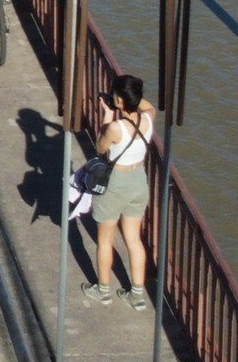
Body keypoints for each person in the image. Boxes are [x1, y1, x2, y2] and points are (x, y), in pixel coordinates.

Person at [81, 74, 156, 311]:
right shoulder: (149, 118)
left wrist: (106, 112)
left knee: (105, 239)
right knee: (134, 239)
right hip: (138, 181)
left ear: (120, 101)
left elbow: (100, 147)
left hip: (116, 183)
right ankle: (136, 295)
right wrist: (128, 95)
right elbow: (146, 105)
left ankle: (102, 290)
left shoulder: (115, 127)